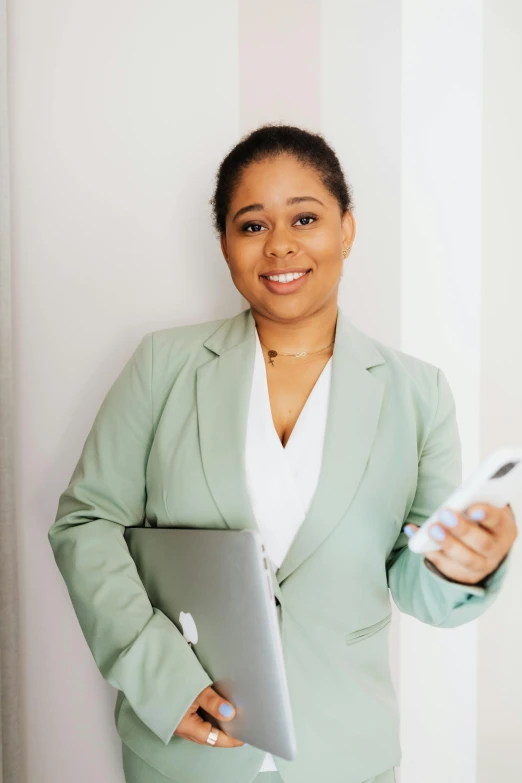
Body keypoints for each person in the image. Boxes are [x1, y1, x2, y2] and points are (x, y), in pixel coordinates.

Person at [48, 124, 516, 783]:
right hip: (188, 751)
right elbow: (85, 521)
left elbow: (418, 580)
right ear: (225, 246)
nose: (281, 245)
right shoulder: (163, 365)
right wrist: (159, 675)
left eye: (305, 217)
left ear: (347, 229)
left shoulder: (417, 392)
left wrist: (467, 565)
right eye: (251, 225)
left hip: (348, 755)